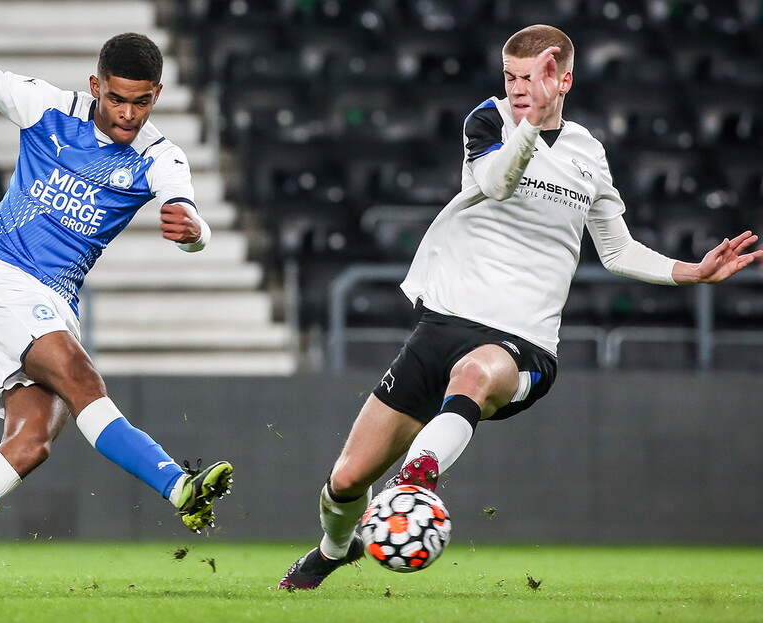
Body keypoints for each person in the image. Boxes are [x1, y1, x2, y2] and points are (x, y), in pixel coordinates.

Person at [278, 24, 763, 590]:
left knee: (479, 371)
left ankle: (416, 479)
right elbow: (496, 181)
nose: (517, 88)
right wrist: (527, 126)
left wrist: (691, 272)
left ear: (564, 80)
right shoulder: (488, 121)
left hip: (523, 343)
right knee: (344, 481)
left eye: (532, 78)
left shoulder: (588, 153)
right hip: (444, 326)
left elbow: (617, 248)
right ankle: (337, 549)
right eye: (510, 76)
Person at [0, 33, 234, 591]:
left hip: (56, 301)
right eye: (116, 99)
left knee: (31, 443)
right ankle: (178, 486)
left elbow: (185, 209)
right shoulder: (46, 107)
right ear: (94, 86)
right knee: (84, 381)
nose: (127, 114)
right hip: (4, 278)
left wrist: (193, 232)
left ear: (157, 94)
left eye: (141, 101)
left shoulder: (160, 155)